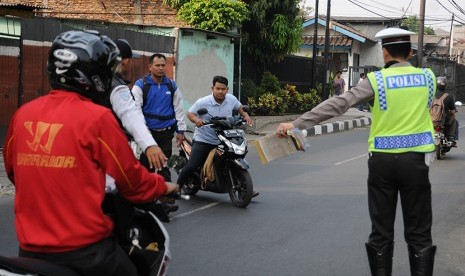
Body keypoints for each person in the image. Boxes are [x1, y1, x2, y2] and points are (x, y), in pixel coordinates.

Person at [3, 30, 179, 276]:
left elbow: (13, 172)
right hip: (87, 251)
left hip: (30, 250)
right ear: (94, 74)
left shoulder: (23, 114)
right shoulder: (97, 118)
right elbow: (131, 181)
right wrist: (162, 187)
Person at [277, 28, 437, 276]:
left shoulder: (376, 81)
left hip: (382, 163)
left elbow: (339, 104)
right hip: (416, 163)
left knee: (381, 231)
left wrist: (297, 124)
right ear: (411, 53)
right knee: (419, 232)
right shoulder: (428, 78)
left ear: (384, 53)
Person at [176, 75, 259, 198]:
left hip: (223, 138)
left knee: (233, 156)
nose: (220, 91)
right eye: (217, 88)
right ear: (212, 88)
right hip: (204, 139)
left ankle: (245, 187)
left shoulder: (231, 99)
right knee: (193, 165)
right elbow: (190, 113)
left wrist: (246, 116)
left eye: (223, 89)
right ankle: (176, 188)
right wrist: (197, 120)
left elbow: (240, 108)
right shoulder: (203, 102)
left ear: (227, 89)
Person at [132, 53, 186, 182]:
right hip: (147, 135)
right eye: (157, 65)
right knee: (146, 167)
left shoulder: (171, 86)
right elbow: (135, 110)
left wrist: (181, 131)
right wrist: (142, 131)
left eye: (163, 65)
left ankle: (166, 199)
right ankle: (146, 198)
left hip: (166, 134)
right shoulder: (140, 86)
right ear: (150, 67)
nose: (161, 68)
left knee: (164, 167)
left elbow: (179, 108)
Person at [433, 76, 457, 145]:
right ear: (445, 85)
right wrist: (453, 112)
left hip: (431, 120)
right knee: (454, 120)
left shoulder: (431, 95)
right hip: (443, 121)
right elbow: (452, 112)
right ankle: (450, 137)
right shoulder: (448, 97)